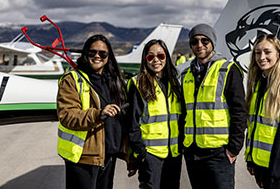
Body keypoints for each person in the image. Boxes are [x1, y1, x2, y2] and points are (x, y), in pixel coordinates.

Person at [180, 23, 247, 189]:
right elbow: (183, 112)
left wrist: (234, 148)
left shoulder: (228, 70)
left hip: (218, 153)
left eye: (205, 40)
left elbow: (239, 111)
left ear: (212, 43)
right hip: (193, 152)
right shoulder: (186, 74)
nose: (199, 45)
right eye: (194, 41)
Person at [56, 34, 128, 189]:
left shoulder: (114, 81)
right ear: (85, 54)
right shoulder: (72, 79)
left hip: (109, 154)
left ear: (108, 56)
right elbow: (67, 115)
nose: (97, 56)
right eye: (92, 52)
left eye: (102, 53)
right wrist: (98, 113)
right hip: (84, 157)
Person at [244, 34, 280, 189]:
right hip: (260, 163)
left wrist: (275, 173)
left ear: (278, 54)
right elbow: (254, 127)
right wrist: (250, 159)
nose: (261, 57)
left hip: (275, 168)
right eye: (258, 52)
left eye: (267, 52)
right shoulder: (259, 85)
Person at [127, 39, 184, 189]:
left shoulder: (175, 84)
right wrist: (141, 154)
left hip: (173, 155)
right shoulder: (137, 84)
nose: (156, 60)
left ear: (166, 57)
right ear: (145, 59)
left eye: (160, 55)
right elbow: (132, 123)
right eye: (150, 57)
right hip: (151, 156)